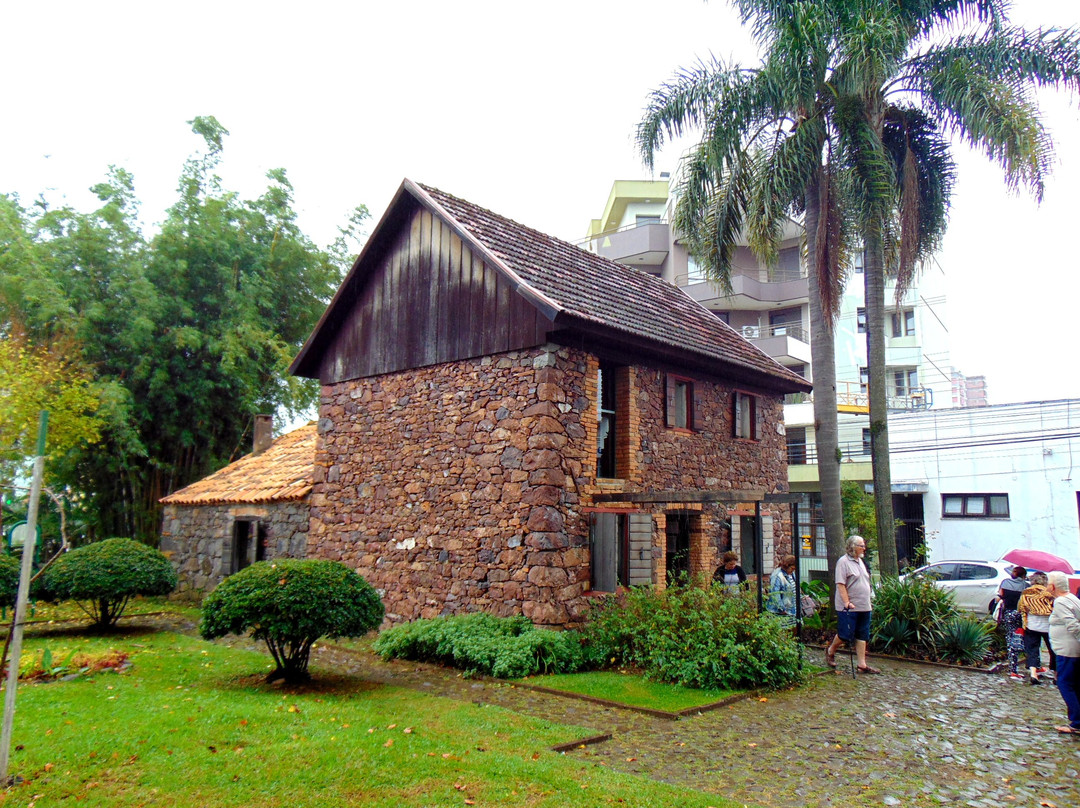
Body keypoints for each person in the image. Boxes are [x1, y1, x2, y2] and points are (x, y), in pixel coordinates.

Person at [825, 536, 880, 674]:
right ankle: (831, 650)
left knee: (863, 634)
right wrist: (846, 602)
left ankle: (862, 664)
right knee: (846, 634)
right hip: (849, 606)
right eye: (861, 545)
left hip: (864, 605)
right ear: (853, 547)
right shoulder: (843, 562)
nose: (864, 548)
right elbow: (840, 584)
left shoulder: (861, 562)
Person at [1046, 571, 1080, 734]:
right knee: (1075, 684)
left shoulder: (1061, 602)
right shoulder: (1072, 598)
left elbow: (1072, 625)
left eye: (1047, 584)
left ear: (1053, 586)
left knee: (1065, 683)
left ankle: (1077, 721)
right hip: (1071, 650)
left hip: (1067, 651)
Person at [1019, 572, 1056, 685]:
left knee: (1032, 650)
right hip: (1048, 626)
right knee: (1053, 650)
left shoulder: (1026, 593)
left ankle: (1033, 674)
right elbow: (1055, 609)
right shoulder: (1049, 594)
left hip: (1031, 625)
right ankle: (1056, 675)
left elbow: (1021, 608)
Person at [998, 565, 1029, 682]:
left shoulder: (1005, 583)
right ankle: (1031, 664)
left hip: (1008, 614)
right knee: (1024, 639)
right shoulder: (1026, 586)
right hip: (1021, 615)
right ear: (1024, 575)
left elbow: (1000, 596)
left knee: (1010, 640)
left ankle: (1013, 669)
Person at [768, 555, 798, 625]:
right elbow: (775, 594)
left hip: (792, 610)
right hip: (782, 613)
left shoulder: (791, 574)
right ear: (786, 566)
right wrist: (782, 609)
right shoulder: (777, 576)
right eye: (792, 568)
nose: (793, 570)